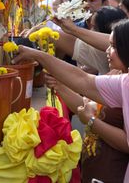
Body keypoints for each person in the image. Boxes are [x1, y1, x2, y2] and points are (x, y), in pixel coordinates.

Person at [12, 19, 129, 182]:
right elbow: (84, 91)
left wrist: (91, 122)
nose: (107, 51)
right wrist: (59, 84)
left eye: (114, 46)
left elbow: (125, 141)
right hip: (94, 169)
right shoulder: (118, 78)